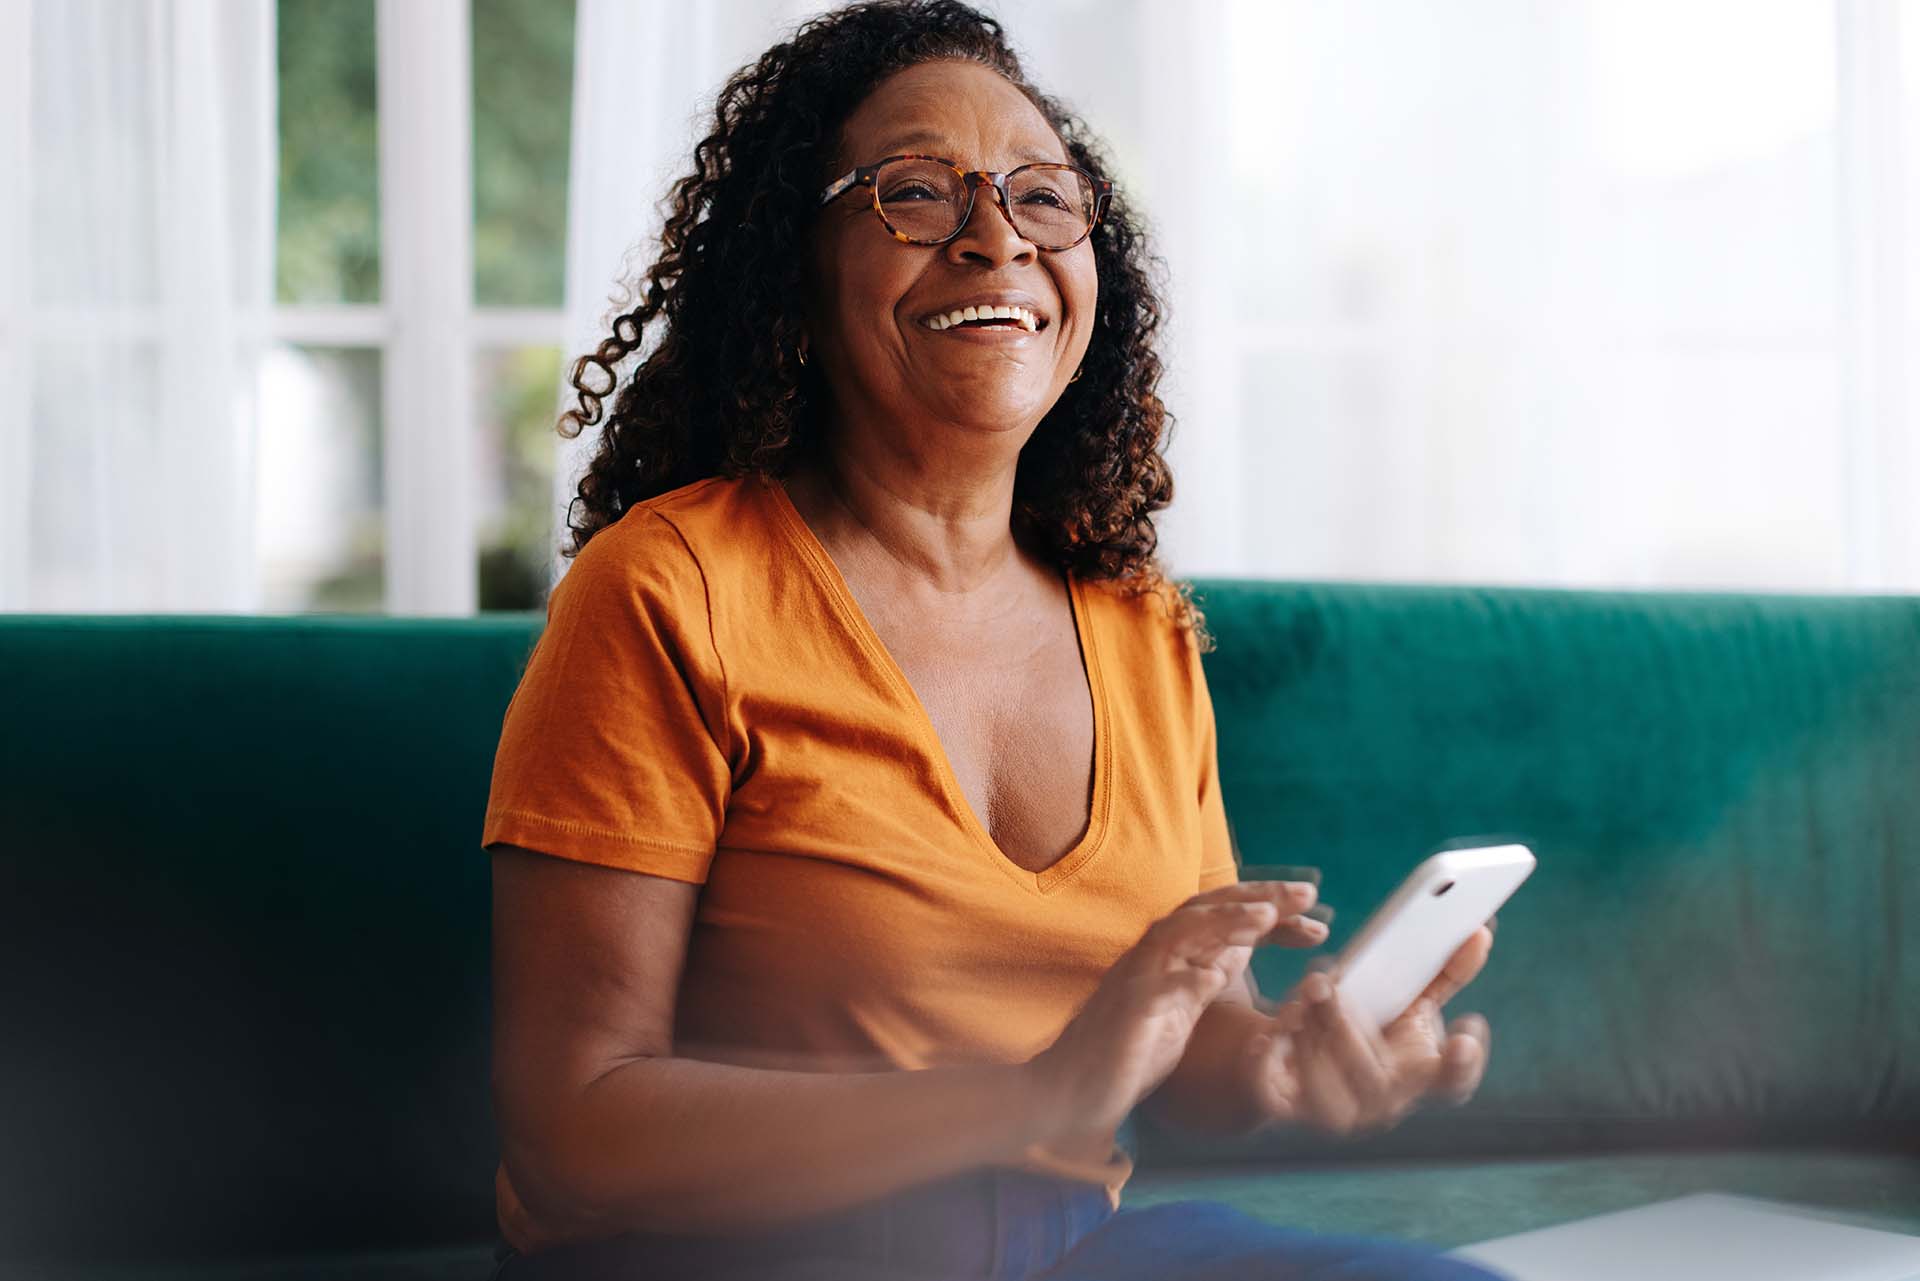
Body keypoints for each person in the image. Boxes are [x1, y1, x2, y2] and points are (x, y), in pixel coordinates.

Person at [481, 2, 1501, 1276]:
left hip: (1065, 1251)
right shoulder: (669, 589)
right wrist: (1031, 1096)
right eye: (916, 192)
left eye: (1043, 196)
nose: (996, 237)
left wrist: (1282, 1062)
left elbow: (1183, 1052)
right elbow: (572, 1130)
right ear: (796, 272)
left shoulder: (1137, 622)